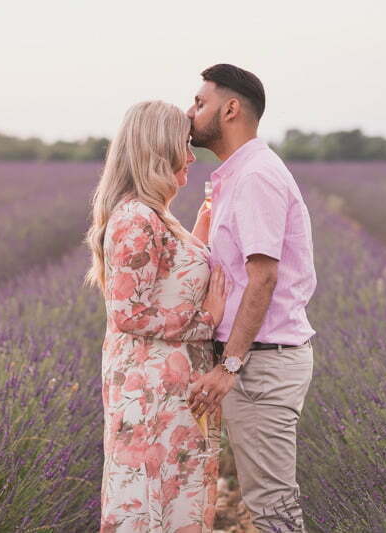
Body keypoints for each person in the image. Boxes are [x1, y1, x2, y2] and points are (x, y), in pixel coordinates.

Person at [84, 100, 230, 532]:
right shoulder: (136, 218)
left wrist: (199, 236)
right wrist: (207, 319)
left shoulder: (154, 215)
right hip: (150, 395)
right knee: (152, 502)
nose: (190, 156)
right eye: (183, 146)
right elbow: (128, 314)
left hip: (169, 391)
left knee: (173, 501)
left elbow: (165, 278)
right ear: (157, 150)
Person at [186, 64, 317, 532]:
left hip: (261, 366)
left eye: (200, 103)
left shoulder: (256, 177)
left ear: (231, 108)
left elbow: (263, 278)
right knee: (268, 502)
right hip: (255, 362)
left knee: (273, 507)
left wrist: (231, 365)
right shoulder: (236, 176)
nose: (190, 112)